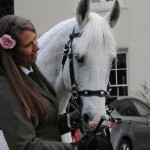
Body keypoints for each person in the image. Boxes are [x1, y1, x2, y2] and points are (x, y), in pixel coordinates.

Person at [0, 15, 94, 150]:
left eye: (35, 39)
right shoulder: (5, 88)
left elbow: (45, 125)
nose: (36, 47)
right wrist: (76, 147)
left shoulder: (32, 74)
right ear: (11, 52)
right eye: (28, 45)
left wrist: (79, 118)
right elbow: (25, 146)